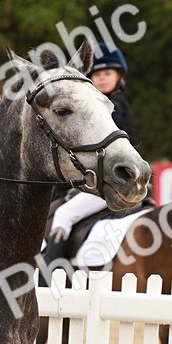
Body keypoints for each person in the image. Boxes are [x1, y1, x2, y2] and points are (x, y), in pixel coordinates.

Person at [41, 42, 138, 269]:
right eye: (98, 74)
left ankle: (49, 278)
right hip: (107, 178)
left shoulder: (114, 107)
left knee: (64, 215)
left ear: (119, 77)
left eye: (108, 73)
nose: (103, 78)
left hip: (105, 180)